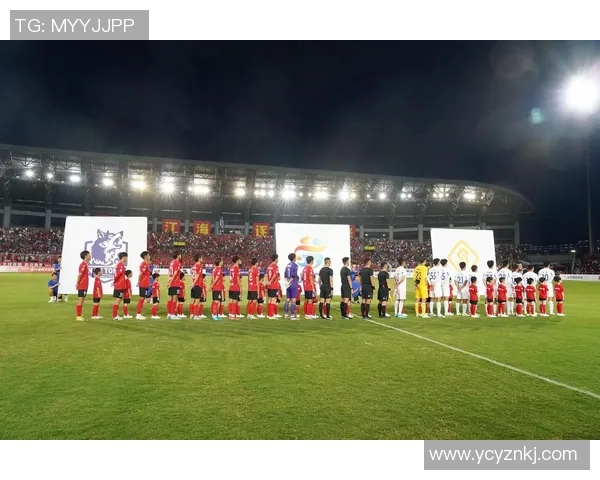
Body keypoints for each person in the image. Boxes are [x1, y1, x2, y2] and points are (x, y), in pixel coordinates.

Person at [75, 250, 91, 322]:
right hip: (82, 285)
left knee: (82, 300)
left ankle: (79, 315)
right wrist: (77, 284)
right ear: (85, 256)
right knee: (80, 300)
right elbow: (80, 275)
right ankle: (78, 316)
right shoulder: (83, 264)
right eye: (89, 254)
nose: (90, 255)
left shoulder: (85, 264)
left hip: (84, 285)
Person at [112, 252, 128, 321]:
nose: (127, 259)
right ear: (123, 257)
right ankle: (115, 316)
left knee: (117, 300)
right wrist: (115, 282)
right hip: (119, 285)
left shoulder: (120, 264)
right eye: (126, 257)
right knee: (118, 300)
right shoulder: (120, 265)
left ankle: (115, 314)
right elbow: (117, 275)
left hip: (119, 285)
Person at [136, 251, 151, 320]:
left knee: (142, 299)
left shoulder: (145, 264)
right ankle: (138, 315)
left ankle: (139, 314)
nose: (149, 256)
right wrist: (139, 281)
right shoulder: (144, 264)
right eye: (148, 255)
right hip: (143, 284)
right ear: (145, 257)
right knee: (141, 299)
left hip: (145, 284)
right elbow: (141, 274)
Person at [167, 252, 183, 320]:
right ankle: (173, 314)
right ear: (178, 255)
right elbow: (175, 273)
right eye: (180, 254)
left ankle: (169, 314)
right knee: (174, 299)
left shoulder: (172, 262)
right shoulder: (177, 262)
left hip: (171, 281)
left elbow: (169, 272)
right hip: (175, 282)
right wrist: (171, 282)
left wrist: (169, 281)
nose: (181, 256)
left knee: (170, 298)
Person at [284, 253, 299, 320]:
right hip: (293, 283)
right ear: (294, 258)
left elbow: (285, 275)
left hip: (288, 284)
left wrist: (287, 282)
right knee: (293, 299)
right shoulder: (295, 265)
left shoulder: (287, 265)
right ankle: (292, 315)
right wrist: (290, 282)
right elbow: (293, 275)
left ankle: (286, 314)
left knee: (288, 299)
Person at [191, 254, 206, 320]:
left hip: (194, 285)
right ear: (199, 259)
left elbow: (192, 276)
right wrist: (193, 283)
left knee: (194, 301)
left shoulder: (193, 266)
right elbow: (197, 276)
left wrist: (192, 283)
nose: (202, 259)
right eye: (201, 258)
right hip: (198, 285)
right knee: (197, 301)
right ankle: (195, 316)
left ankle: (192, 315)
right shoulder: (199, 266)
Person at [266, 254, 281, 319]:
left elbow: (267, 274)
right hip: (274, 285)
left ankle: (269, 314)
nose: (278, 259)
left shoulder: (269, 266)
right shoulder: (275, 266)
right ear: (276, 259)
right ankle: (271, 315)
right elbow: (275, 275)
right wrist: (270, 281)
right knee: (273, 299)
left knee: (269, 299)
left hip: (269, 285)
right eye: (277, 258)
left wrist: (268, 282)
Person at [228, 256, 242, 320]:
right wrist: (240, 287)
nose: (240, 261)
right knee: (234, 302)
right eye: (239, 259)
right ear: (237, 260)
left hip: (231, 286)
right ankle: (233, 316)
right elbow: (238, 279)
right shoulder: (237, 268)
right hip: (235, 287)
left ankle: (231, 314)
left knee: (232, 301)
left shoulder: (231, 268)